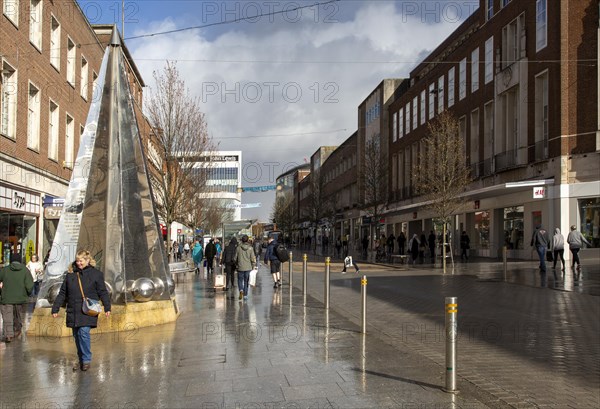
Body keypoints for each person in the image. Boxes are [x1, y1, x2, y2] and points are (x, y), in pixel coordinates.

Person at [51, 250, 111, 371]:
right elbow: (63, 293)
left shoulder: (96, 274)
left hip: (87, 309)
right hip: (73, 309)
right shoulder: (70, 275)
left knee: (83, 333)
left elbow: (102, 292)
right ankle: (81, 359)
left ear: (88, 260)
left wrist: (107, 307)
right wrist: (55, 308)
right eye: (77, 261)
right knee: (76, 335)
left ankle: (86, 360)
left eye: (81, 261)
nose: (78, 263)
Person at [0, 253, 34, 343]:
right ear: (20, 260)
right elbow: (30, 285)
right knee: (18, 317)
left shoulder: (5, 270)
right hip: (21, 299)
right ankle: (17, 331)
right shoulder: (25, 270)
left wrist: (1, 292)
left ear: (11, 260)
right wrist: (28, 294)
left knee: (7, 317)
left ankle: (8, 335)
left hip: (6, 298)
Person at [234, 235, 256, 300]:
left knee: (240, 280)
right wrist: (253, 265)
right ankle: (245, 295)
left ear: (242, 240)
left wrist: (236, 264)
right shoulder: (250, 248)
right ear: (247, 240)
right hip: (248, 267)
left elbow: (235, 258)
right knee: (246, 281)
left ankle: (241, 290)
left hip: (240, 267)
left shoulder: (238, 248)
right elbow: (252, 258)